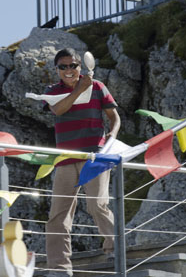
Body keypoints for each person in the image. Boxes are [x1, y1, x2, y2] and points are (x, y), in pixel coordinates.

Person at [43, 48, 121, 276]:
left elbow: (114, 117)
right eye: (63, 66)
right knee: (58, 214)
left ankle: (115, 250)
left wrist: (112, 136)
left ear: (81, 66)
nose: (69, 70)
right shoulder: (52, 91)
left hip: (94, 155)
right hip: (66, 159)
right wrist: (80, 89)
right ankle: (59, 267)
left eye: (73, 65)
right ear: (56, 70)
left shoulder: (98, 87)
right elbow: (58, 110)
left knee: (97, 204)